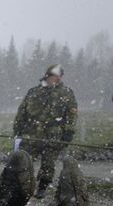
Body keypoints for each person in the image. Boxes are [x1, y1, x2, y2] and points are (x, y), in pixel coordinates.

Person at [13, 64, 78, 198]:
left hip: (53, 135)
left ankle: (42, 187)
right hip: (31, 134)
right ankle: (21, 187)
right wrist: (18, 129)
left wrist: (68, 133)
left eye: (59, 76)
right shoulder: (34, 92)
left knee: (48, 164)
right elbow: (22, 111)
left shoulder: (66, 93)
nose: (57, 78)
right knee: (25, 161)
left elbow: (71, 114)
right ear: (48, 76)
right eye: (55, 76)